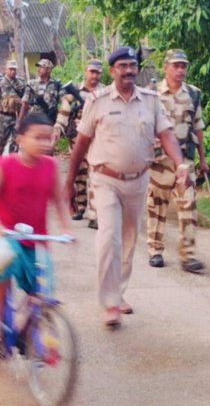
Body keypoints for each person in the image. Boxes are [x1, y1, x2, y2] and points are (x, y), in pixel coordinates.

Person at [64, 45, 188, 329]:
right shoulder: (97, 101)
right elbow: (81, 143)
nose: (129, 70)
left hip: (138, 180)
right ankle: (109, 303)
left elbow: (166, 135)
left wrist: (180, 163)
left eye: (132, 65)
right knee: (110, 237)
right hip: (105, 179)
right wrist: (69, 181)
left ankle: (118, 294)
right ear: (112, 71)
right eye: (122, 66)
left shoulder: (150, 100)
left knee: (129, 240)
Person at [0, 111, 74, 342]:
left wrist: (66, 229)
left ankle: (28, 326)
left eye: (48, 138)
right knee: (4, 261)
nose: (44, 143)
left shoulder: (50, 167)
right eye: (37, 137)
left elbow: (58, 200)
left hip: (36, 238)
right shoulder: (6, 165)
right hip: (6, 233)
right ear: (20, 138)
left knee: (41, 289)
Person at [146, 49, 208, 272]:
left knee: (188, 205)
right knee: (157, 205)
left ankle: (188, 255)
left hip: (185, 160)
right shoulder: (152, 95)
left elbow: (198, 127)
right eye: (176, 65)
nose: (181, 70)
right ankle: (155, 249)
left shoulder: (193, 94)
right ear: (166, 67)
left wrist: (202, 159)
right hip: (159, 161)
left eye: (184, 66)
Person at [54, 59, 105, 224]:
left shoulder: (106, 92)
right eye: (92, 72)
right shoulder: (74, 92)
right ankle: (81, 207)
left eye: (97, 72)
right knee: (80, 175)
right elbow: (63, 113)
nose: (94, 76)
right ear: (85, 71)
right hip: (77, 140)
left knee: (95, 176)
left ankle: (94, 214)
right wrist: (57, 129)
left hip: (98, 140)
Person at [0, 58, 25, 156]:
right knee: (2, 140)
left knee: (16, 141)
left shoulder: (21, 82)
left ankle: (12, 162)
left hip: (17, 116)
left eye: (14, 69)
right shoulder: (0, 81)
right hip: (4, 116)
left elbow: (25, 100)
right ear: (6, 69)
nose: (13, 71)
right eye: (10, 69)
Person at [17, 57, 62, 128]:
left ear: (48, 70)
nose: (38, 69)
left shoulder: (56, 84)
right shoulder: (32, 84)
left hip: (50, 120)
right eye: (38, 67)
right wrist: (19, 121)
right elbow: (24, 104)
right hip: (35, 119)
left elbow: (62, 102)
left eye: (41, 67)